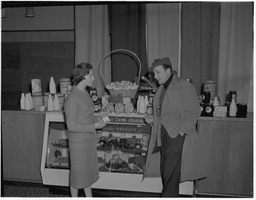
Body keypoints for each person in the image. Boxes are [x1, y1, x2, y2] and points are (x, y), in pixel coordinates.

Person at [143, 58, 208, 197]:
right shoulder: (163, 87)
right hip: (163, 134)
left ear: (168, 70)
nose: (155, 77)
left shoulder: (184, 86)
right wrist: (154, 120)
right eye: (154, 73)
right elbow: (165, 112)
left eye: (158, 72)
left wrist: (181, 131)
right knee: (166, 172)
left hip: (175, 136)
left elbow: (194, 111)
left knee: (170, 174)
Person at [64, 62, 107, 197]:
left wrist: (98, 119)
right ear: (82, 77)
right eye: (90, 75)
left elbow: (87, 116)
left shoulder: (85, 92)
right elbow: (71, 126)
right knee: (78, 177)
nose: (93, 78)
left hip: (87, 140)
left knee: (86, 175)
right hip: (79, 143)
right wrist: (93, 126)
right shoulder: (73, 97)